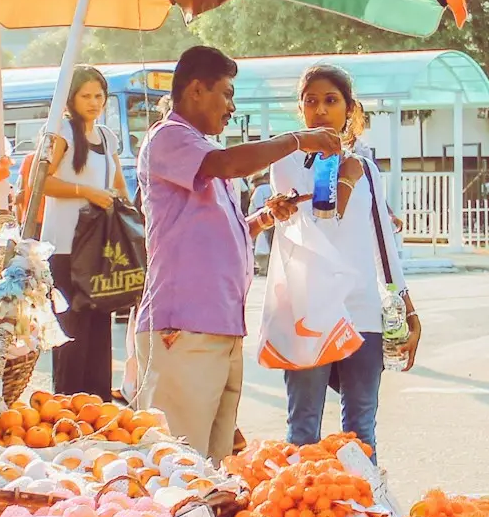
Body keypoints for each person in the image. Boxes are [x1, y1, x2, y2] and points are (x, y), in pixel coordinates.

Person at [132, 47, 341, 460]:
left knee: (213, 465)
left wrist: (263, 218)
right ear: (196, 90)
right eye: (226, 94)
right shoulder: (169, 137)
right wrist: (298, 139)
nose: (231, 107)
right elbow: (228, 165)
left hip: (218, 326)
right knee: (179, 464)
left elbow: (217, 233)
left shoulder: (200, 149)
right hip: (184, 328)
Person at [267, 63, 421, 452]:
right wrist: (344, 179)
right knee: (303, 429)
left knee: (360, 430)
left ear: (349, 109)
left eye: (331, 101)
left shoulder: (365, 166)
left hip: (362, 310)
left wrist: (406, 304)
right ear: (300, 109)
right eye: (311, 101)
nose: (320, 110)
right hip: (308, 310)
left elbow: (382, 240)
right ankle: (302, 507)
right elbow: (319, 222)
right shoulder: (286, 162)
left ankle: (363, 509)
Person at [39, 66, 131, 401]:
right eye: (86, 96)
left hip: (101, 247)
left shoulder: (107, 137)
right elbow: (42, 184)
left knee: (99, 329)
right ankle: (66, 404)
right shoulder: (60, 134)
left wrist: (131, 218)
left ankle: (97, 404)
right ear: (71, 100)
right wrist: (86, 192)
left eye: (98, 95)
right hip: (64, 248)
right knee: (71, 330)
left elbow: (119, 184)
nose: (94, 102)